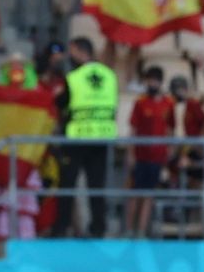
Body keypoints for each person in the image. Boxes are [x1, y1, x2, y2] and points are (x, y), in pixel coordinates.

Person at [52, 37, 118, 238]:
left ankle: (62, 229)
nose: (69, 57)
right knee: (97, 187)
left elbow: (62, 103)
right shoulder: (109, 76)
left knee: (67, 186)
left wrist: (57, 95)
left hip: (76, 138)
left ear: (81, 52)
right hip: (101, 138)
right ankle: (99, 228)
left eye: (72, 52)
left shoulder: (74, 77)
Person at [125, 64, 174, 238]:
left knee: (149, 194)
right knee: (135, 193)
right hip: (140, 156)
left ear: (160, 82)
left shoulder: (169, 104)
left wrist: (169, 150)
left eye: (155, 81)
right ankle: (129, 229)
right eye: (149, 80)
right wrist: (131, 154)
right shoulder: (140, 102)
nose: (152, 84)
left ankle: (140, 231)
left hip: (157, 157)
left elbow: (170, 128)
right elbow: (133, 129)